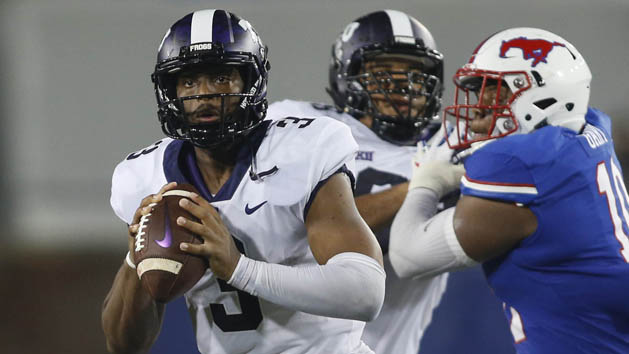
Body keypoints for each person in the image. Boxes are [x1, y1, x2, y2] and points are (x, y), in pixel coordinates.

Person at [101, 9, 386, 354]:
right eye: (189, 81)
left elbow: (365, 291)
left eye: (220, 77)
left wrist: (239, 268)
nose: (203, 94)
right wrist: (137, 261)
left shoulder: (301, 151)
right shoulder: (147, 178)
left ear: (251, 80)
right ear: (169, 90)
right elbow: (123, 345)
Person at [389, 27, 629, 353]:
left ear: (544, 96)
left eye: (497, 92)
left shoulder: (520, 162)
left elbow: (407, 257)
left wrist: (426, 184)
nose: (480, 107)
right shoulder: (589, 127)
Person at [267, 10, 451, 354]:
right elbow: (303, 234)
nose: (401, 84)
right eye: (382, 72)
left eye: (414, 72)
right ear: (347, 76)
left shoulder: (450, 144)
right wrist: (421, 186)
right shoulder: (298, 125)